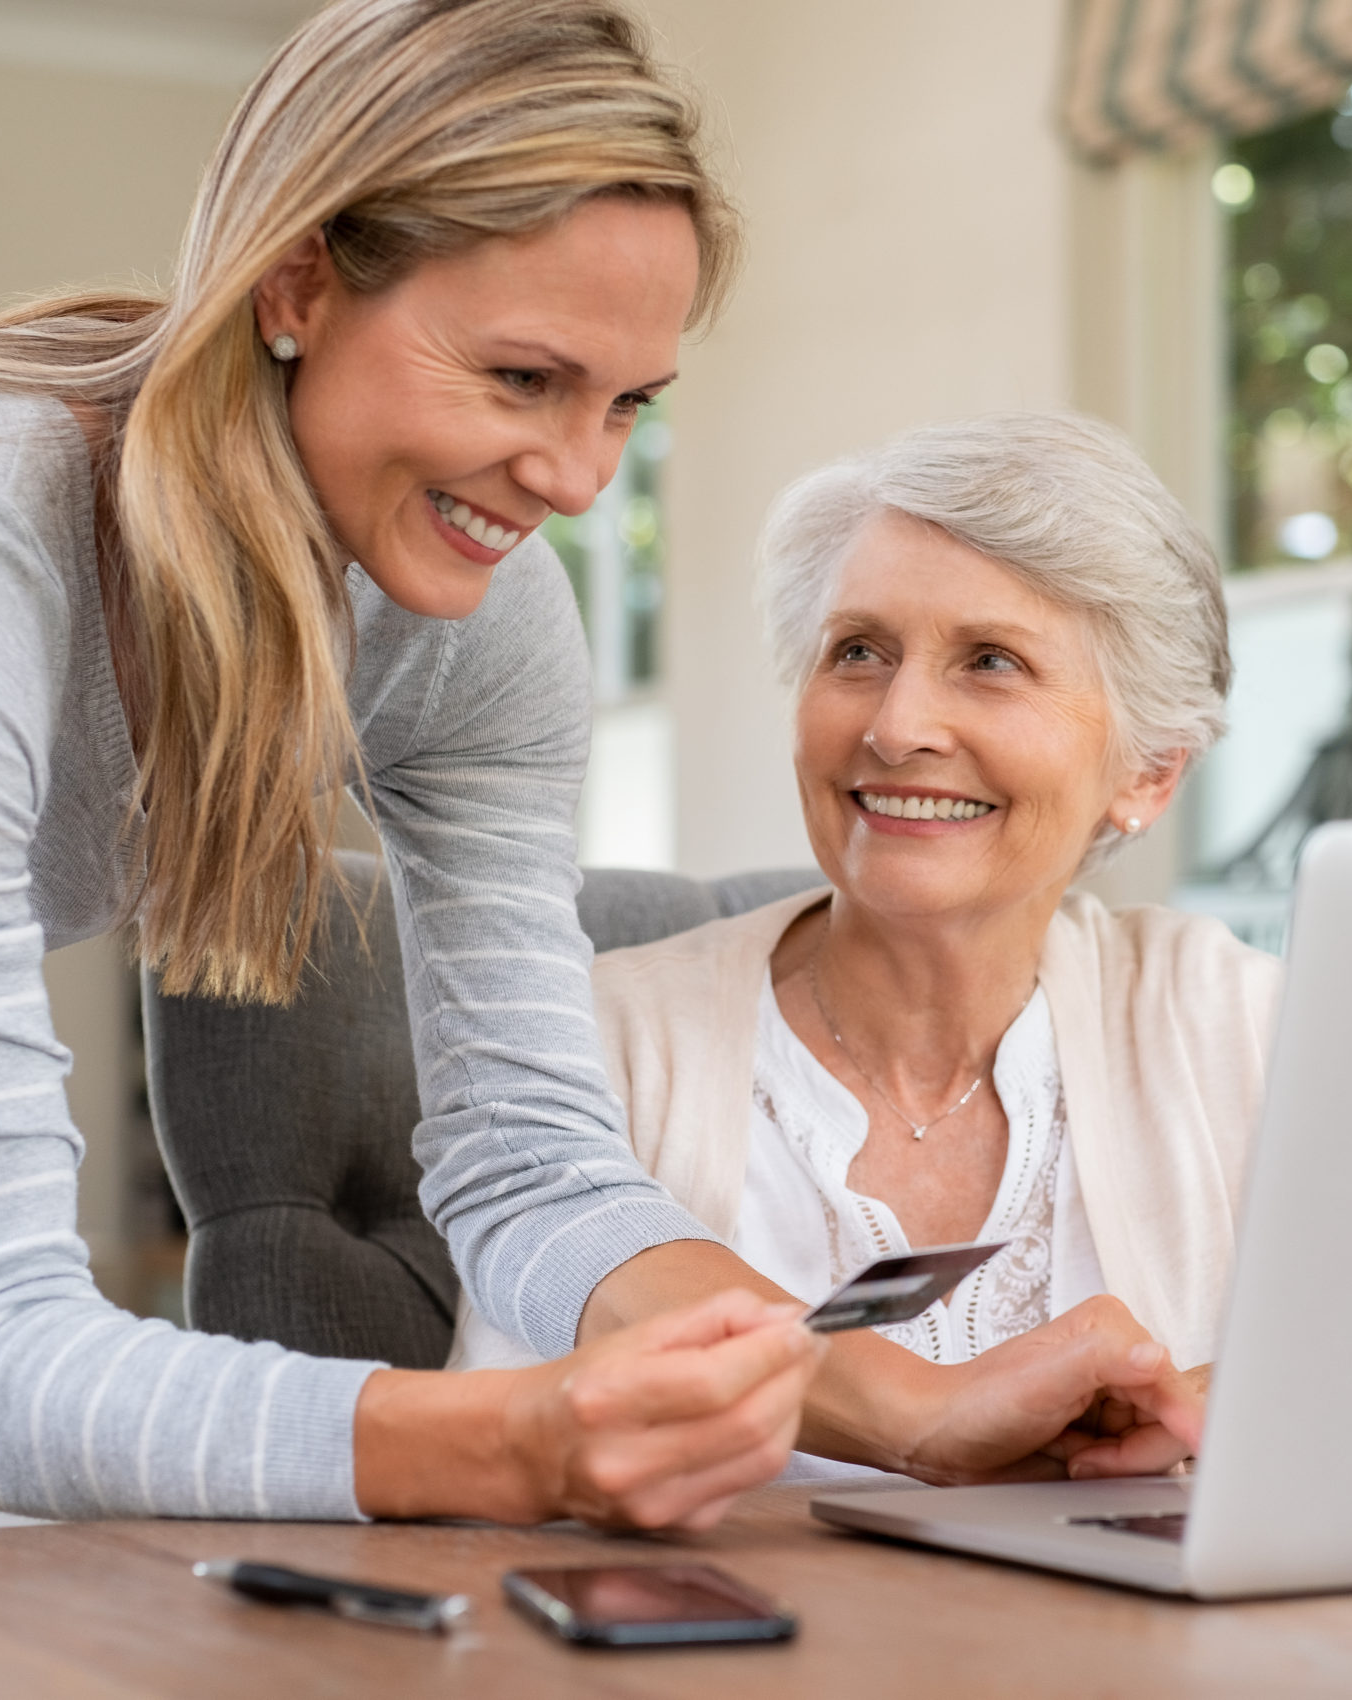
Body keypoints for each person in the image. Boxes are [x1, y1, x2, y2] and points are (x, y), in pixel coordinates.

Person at [0, 0, 1188, 1548]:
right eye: (523, 380)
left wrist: (905, 1411)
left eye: (626, 404)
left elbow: (528, 1157)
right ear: (301, 281)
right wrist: (519, 1442)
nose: (581, 481)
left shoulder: (473, 617)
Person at [455, 414, 1280, 1471]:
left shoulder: (1239, 1020)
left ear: (1148, 772)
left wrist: (1227, 1408)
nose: (896, 725)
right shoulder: (597, 1041)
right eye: (858, 651)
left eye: (990, 661)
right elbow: (506, 1460)